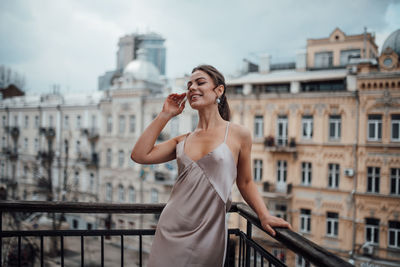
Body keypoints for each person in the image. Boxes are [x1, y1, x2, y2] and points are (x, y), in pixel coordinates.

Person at [131, 64, 291, 266]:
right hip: (171, 228)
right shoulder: (183, 140)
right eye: (189, 85)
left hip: (210, 232)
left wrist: (264, 215)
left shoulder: (238, 134)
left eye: (200, 82)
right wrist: (165, 115)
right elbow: (139, 155)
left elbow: (246, 181)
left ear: (219, 90)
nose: (192, 88)